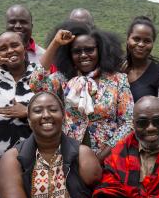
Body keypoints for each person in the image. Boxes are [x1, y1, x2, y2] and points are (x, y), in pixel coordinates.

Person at [33, 23, 134, 158]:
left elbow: (128, 123)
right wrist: (55, 44)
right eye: (77, 51)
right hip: (70, 157)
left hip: (110, 159)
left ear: (100, 50)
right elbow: (36, 84)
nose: (83, 55)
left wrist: (100, 158)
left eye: (89, 50)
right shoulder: (62, 80)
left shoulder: (118, 80)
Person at [123, 16, 159, 101]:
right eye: (136, 39)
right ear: (128, 39)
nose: (141, 44)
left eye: (147, 41)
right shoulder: (116, 68)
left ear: (152, 43)